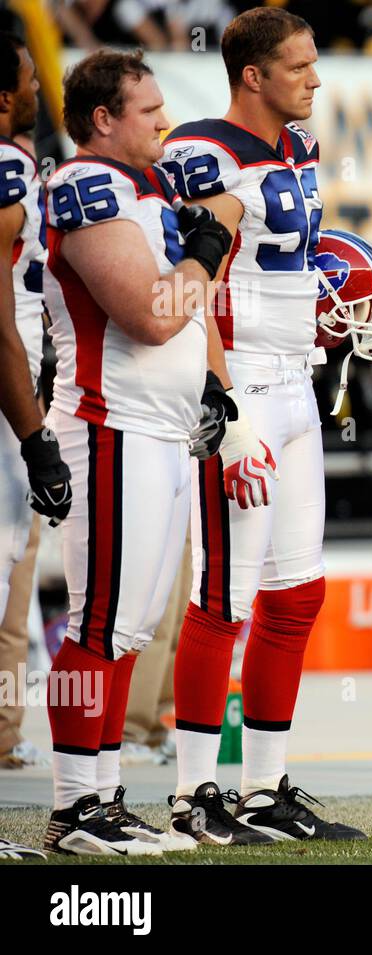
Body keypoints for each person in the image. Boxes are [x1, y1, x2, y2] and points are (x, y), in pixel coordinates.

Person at [163, 7, 372, 844]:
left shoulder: (298, 148)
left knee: (297, 592)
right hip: (244, 391)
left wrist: (346, 322)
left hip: (298, 386)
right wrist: (219, 403)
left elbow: (292, 273)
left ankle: (265, 788)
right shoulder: (202, 153)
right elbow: (195, 285)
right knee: (221, 597)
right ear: (253, 76)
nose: (315, 79)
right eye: (299, 66)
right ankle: (196, 793)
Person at [41, 48, 233, 855]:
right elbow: (151, 316)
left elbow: (183, 313)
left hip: (157, 425)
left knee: (128, 624)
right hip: (108, 419)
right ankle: (74, 804)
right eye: (148, 111)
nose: (164, 121)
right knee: (99, 620)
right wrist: (201, 257)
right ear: (102, 120)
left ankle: (106, 795)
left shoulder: (148, 188)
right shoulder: (85, 186)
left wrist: (213, 383)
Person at [0, 33, 69, 769]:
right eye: (25, 79)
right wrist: (35, 436)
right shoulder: (10, 165)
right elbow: (0, 323)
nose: (36, 88)